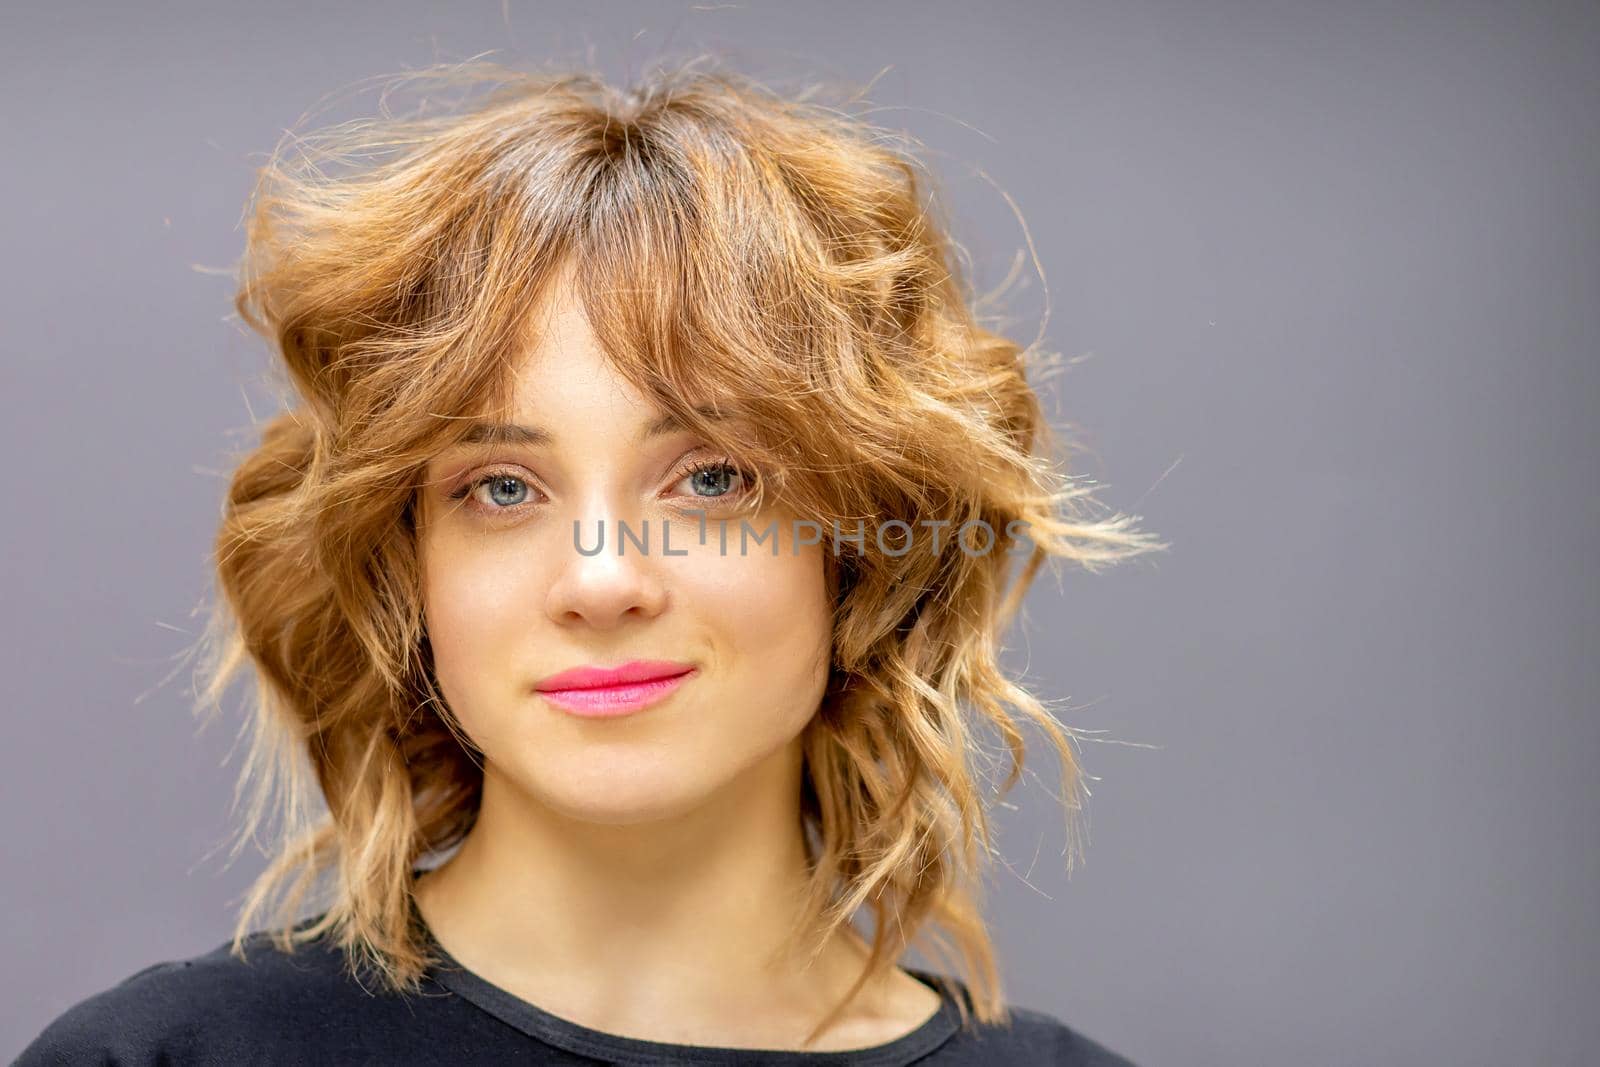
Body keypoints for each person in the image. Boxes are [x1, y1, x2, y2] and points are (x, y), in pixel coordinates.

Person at [14, 56, 1163, 1065]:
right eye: (501, 489)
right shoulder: (163, 1058)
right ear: (404, 567)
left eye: (713, 477)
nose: (604, 579)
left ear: (858, 548)